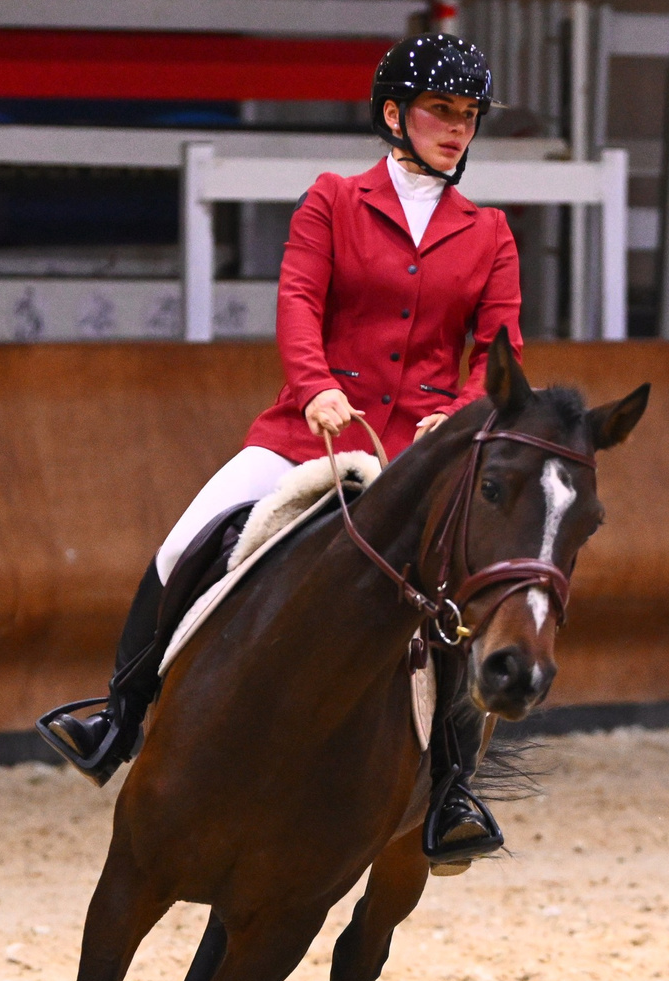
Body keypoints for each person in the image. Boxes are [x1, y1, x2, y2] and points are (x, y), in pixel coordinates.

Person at [39, 32, 523, 870]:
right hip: (312, 429)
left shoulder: (488, 233)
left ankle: (450, 793)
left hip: (418, 451)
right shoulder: (333, 200)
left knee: (462, 603)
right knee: (187, 539)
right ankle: (119, 715)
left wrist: (460, 410)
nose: (455, 128)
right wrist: (313, 387)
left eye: (467, 115)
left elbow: (500, 347)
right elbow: (298, 300)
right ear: (392, 115)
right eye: (441, 110)